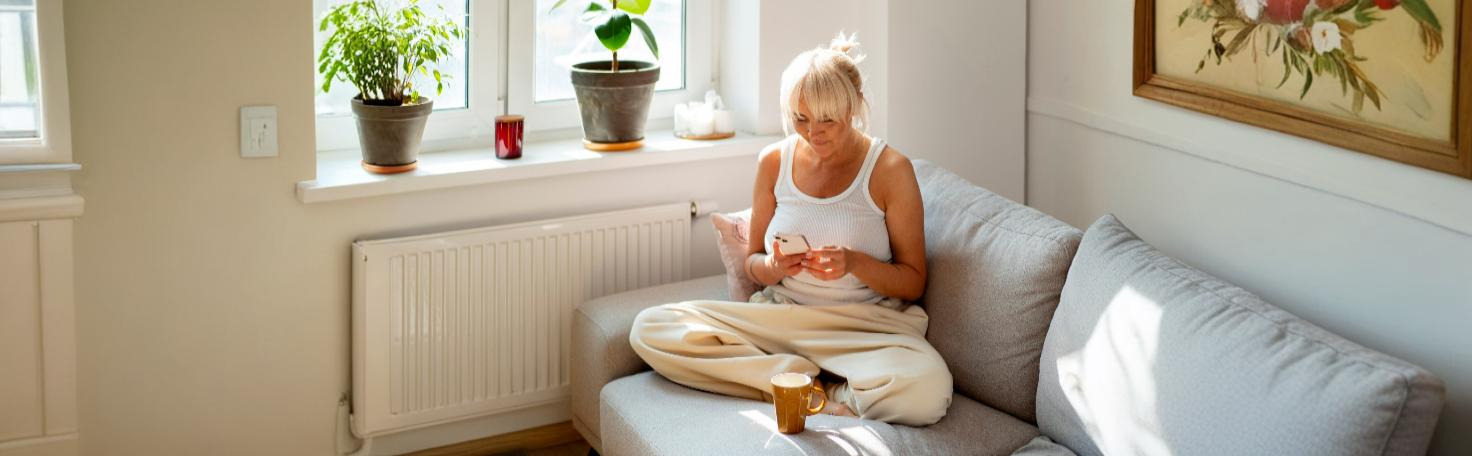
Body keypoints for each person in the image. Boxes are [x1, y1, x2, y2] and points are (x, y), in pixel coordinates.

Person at [629, 33, 951, 426]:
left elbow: (913, 281)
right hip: (781, 320)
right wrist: (774, 267)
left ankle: (815, 390)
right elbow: (752, 263)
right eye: (800, 119)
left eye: (827, 120)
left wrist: (854, 263)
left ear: (853, 106)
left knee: (928, 393)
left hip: (865, 326)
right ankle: (803, 382)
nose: (813, 133)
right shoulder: (773, 162)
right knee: (650, 328)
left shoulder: (891, 170)